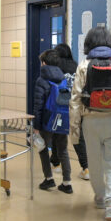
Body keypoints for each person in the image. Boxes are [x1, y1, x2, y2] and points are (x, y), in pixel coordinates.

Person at [69, 26, 111, 221]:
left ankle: (100, 197)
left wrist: (74, 130)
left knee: (95, 163)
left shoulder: (84, 66)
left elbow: (75, 100)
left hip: (91, 122)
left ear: (89, 44)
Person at [33, 49, 72, 193]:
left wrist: (36, 127)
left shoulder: (42, 80)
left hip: (47, 120)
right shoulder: (63, 79)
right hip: (61, 118)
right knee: (63, 150)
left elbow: (38, 105)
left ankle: (49, 179)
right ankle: (67, 183)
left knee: (43, 148)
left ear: (44, 63)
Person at [50, 43, 90, 180]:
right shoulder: (76, 66)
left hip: (60, 106)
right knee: (78, 136)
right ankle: (86, 168)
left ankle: (56, 164)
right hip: (76, 106)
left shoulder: (56, 67)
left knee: (57, 134)